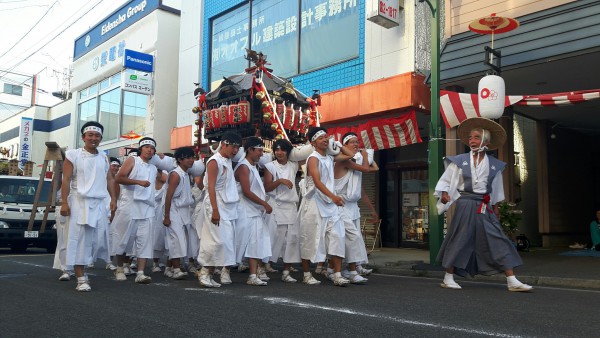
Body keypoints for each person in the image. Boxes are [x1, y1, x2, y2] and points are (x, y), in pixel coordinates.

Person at [435, 117, 532, 292]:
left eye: (476, 137)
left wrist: (495, 209)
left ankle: (512, 280)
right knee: (459, 238)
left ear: (486, 142)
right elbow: (446, 180)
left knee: (498, 238)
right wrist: (444, 194)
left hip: (484, 206)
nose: (471, 141)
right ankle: (448, 277)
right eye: (471, 138)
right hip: (465, 203)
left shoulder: (494, 165)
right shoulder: (460, 160)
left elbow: (495, 190)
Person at [61, 121, 117, 292]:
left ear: (101, 138)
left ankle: (86, 267)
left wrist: (113, 198)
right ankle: (81, 277)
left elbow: (109, 179)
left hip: (99, 203)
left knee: (98, 239)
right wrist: (64, 202)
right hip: (79, 202)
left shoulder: (103, 156)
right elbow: (66, 180)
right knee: (79, 239)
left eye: (97, 135)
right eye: (90, 135)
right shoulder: (72, 155)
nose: (94, 138)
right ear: (83, 137)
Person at [298, 127, 355, 286]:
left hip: (330, 205)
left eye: (326, 137)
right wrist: (334, 197)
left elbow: (351, 155)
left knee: (337, 237)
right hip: (315, 203)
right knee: (310, 238)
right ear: (313, 142)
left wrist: (337, 143)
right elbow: (317, 182)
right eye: (321, 138)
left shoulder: (330, 157)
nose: (325, 140)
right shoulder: (313, 158)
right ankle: (307, 274)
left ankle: (337, 275)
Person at [112, 137, 161, 284]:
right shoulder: (132, 161)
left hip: (146, 208)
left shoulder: (153, 168)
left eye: (152, 148)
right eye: (146, 147)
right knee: (123, 238)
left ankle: (141, 272)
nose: (149, 149)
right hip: (130, 206)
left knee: (145, 240)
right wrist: (138, 182)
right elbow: (119, 178)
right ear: (141, 149)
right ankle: (120, 268)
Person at [263, 139, 312, 283]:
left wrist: (303, 147)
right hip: (275, 206)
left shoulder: (293, 164)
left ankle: (286, 271)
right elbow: (267, 187)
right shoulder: (270, 166)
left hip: (290, 207)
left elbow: (308, 158)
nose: (279, 153)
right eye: (277, 150)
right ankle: (261, 267)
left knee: (291, 239)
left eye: (283, 150)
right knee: (272, 238)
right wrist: (280, 181)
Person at [197, 131, 242, 287]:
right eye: (233, 147)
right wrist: (215, 210)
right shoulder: (214, 162)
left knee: (226, 241)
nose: (235, 150)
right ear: (224, 144)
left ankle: (210, 274)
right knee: (216, 240)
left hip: (228, 206)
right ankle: (204, 272)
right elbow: (210, 187)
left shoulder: (227, 160)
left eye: (237, 147)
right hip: (215, 204)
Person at [333, 132, 379, 283]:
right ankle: (351, 271)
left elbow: (375, 168)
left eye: (357, 142)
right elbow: (367, 168)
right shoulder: (343, 160)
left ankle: (351, 267)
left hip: (353, 207)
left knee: (352, 238)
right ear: (344, 146)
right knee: (351, 238)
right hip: (341, 205)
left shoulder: (356, 162)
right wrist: (365, 156)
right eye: (352, 142)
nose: (356, 144)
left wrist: (372, 210)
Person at [234, 136, 273, 286]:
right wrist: (264, 204)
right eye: (259, 150)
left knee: (254, 243)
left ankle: (252, 275)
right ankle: (223, 270)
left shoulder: (252, 166)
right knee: (238, 241)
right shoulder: (243, 166)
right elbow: (246, 191)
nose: (261, 154)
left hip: (253, 210)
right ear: (249, 150)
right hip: (244, 210)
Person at [163, 147, 204, 280]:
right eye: (188, 158)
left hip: (184, 211)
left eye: (192, 157)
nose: (191, 160)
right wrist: (167, 216)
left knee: (182, 240)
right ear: (180, 160)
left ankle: (169, 267)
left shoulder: (186, 174)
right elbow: (168, 196)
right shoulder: (176, 174)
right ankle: (176, 269)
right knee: (177, 239)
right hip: (174, 210)